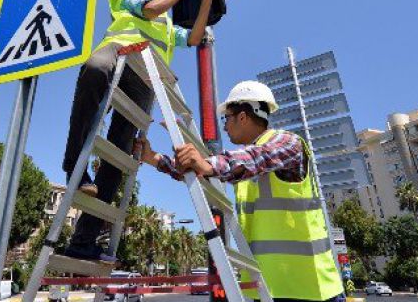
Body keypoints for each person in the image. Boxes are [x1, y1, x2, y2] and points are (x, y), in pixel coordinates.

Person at [62, 0, 216, 261]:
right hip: (119, 54)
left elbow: (195, 37)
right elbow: (147, 11)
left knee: (117, 157)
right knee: (95, 70)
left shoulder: (168, 26)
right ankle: (72, 166)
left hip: (145, 79)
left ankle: (84, 241)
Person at [137, 80, 344, 302]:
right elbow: (204, 173)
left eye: (227, 118)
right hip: (266, 289)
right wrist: (153, 158)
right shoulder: (242, 164)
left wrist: (206, 164)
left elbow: (256, 158)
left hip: (311, 289)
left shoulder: (286, 142)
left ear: (243, 117)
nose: (224, 127)